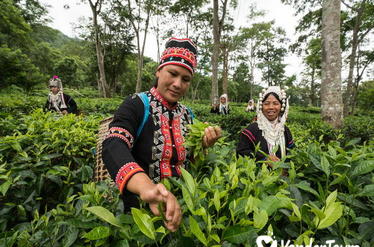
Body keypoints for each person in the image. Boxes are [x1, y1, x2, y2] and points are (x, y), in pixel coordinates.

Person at [102, 38, 221, 232]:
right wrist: (147, 188)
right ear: (159, 71)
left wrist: (204, 145)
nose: (177, 84)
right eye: (172, 74)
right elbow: (113, 144)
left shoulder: (187, 114)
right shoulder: (137, 104)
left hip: (179, 207)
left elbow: (187, 162)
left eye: (185, 79)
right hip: (139, 211)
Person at [236, 86, 294, 163]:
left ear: (281, 107)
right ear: (261, 106)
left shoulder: (285, 130)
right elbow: (241, 153)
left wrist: (286, 167)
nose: (271, 107)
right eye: (266, 103)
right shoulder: (252, 130)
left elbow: (292, 152)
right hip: (259, 174)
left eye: (275, 103)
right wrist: (264, 159)